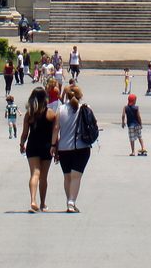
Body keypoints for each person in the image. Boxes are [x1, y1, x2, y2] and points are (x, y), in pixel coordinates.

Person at [52, 84, 96, 213]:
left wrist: (53, 145)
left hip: (64, 148)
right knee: (76, 177)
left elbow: (56, 129)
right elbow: (93, 124)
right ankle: (71, 202)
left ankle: (69, 202)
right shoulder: (85, 108)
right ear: (80, 96)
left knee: (67, 177)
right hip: (82, 147)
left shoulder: (60, 110)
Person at [20, 87, 57, 212]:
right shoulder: (51, 113)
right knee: (44, 177)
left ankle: (32, 200)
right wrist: (55, 147)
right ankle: (42, 203)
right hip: (47, 146)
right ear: (45, 98)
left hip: (33, 145)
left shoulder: (29, 114)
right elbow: (55, 132)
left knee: (35, 173)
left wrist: (21, 144)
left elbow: (25, 133)